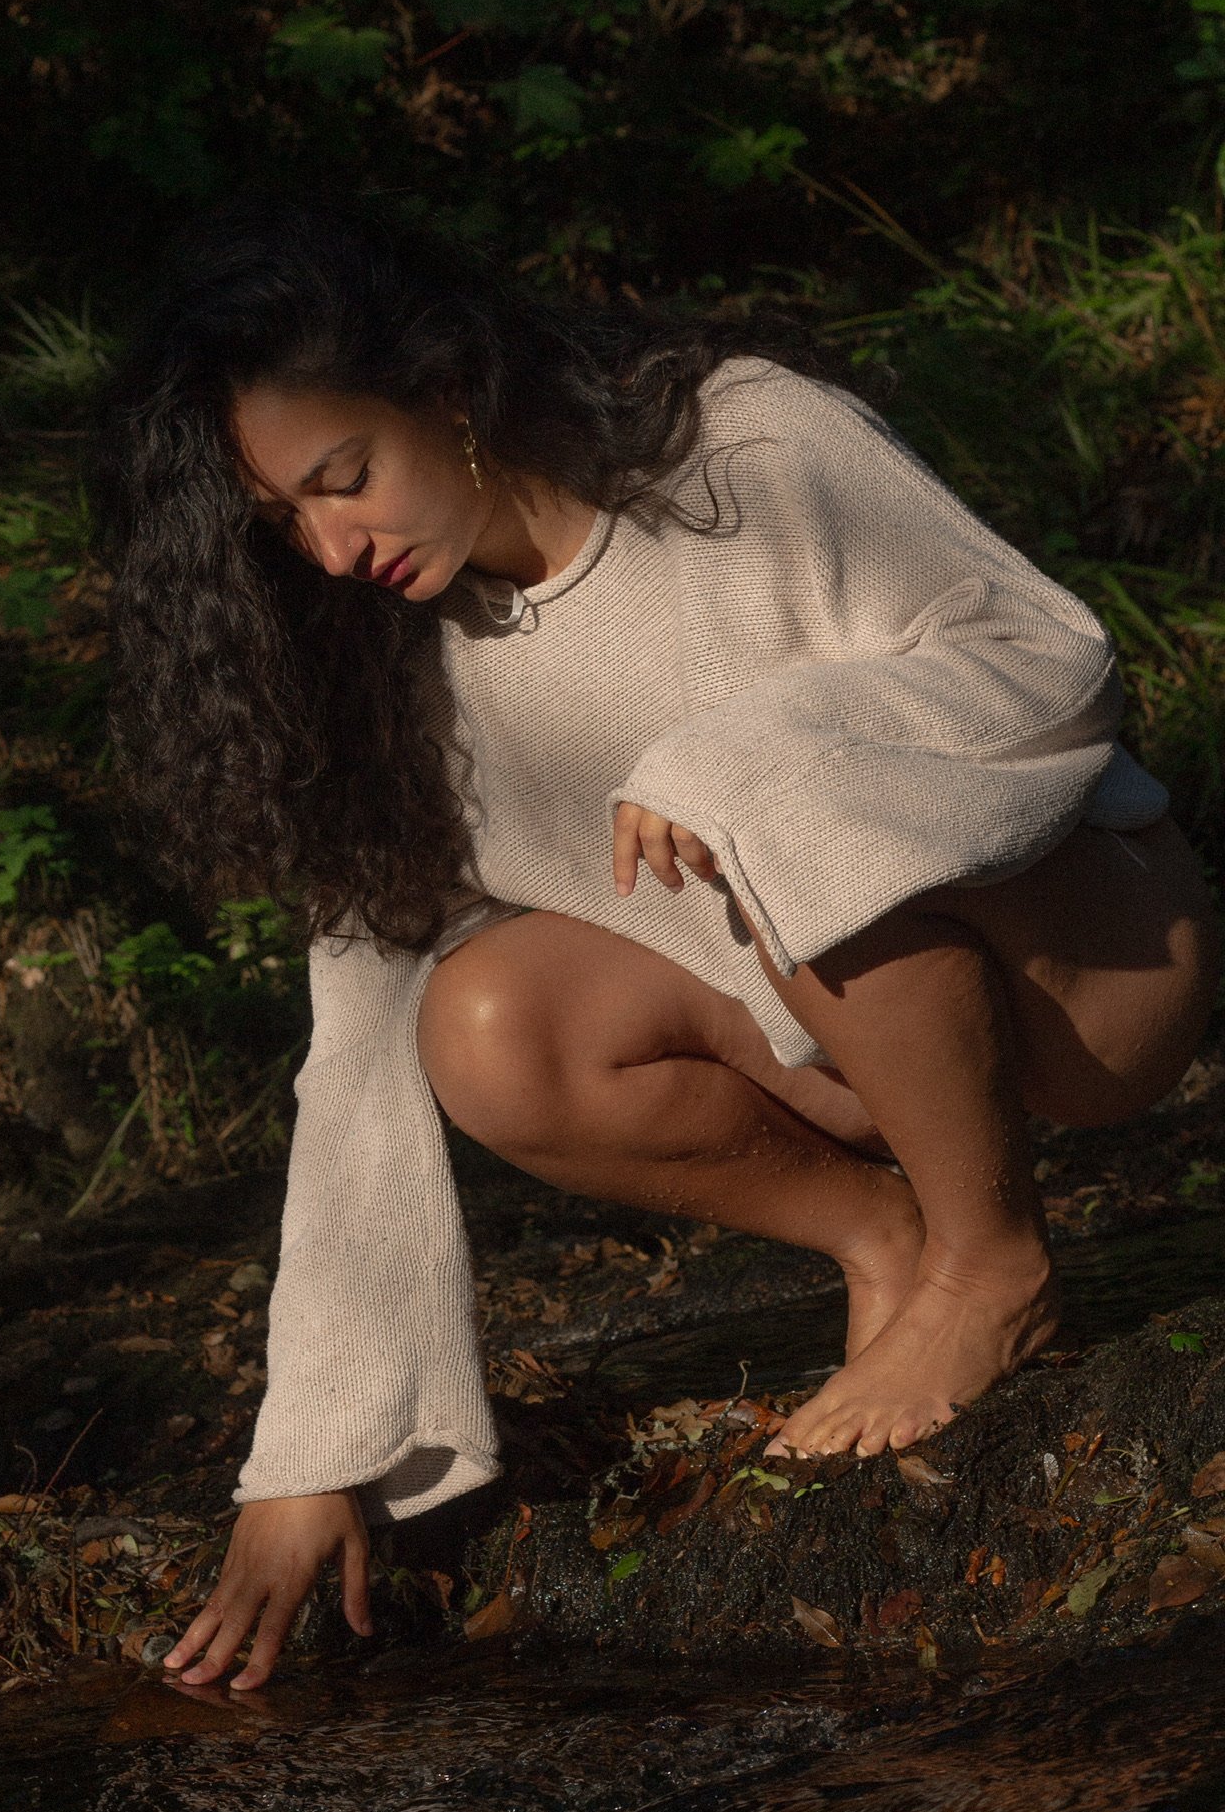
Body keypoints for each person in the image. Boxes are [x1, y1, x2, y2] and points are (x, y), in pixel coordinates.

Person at [101, 197, 1218, 1692]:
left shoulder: (738, 444)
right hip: (855, 1042)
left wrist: (740, 751)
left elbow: (1051, 653)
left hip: (1099, 961)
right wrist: (310, 1449)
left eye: (342, 478)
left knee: (772, 790)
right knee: (479, 1022)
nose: (329, 544)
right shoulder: (401, 694)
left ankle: (994, 1262)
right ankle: (886, 1239)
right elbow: (352, 1067)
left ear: (445, 390)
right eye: (286, 522)